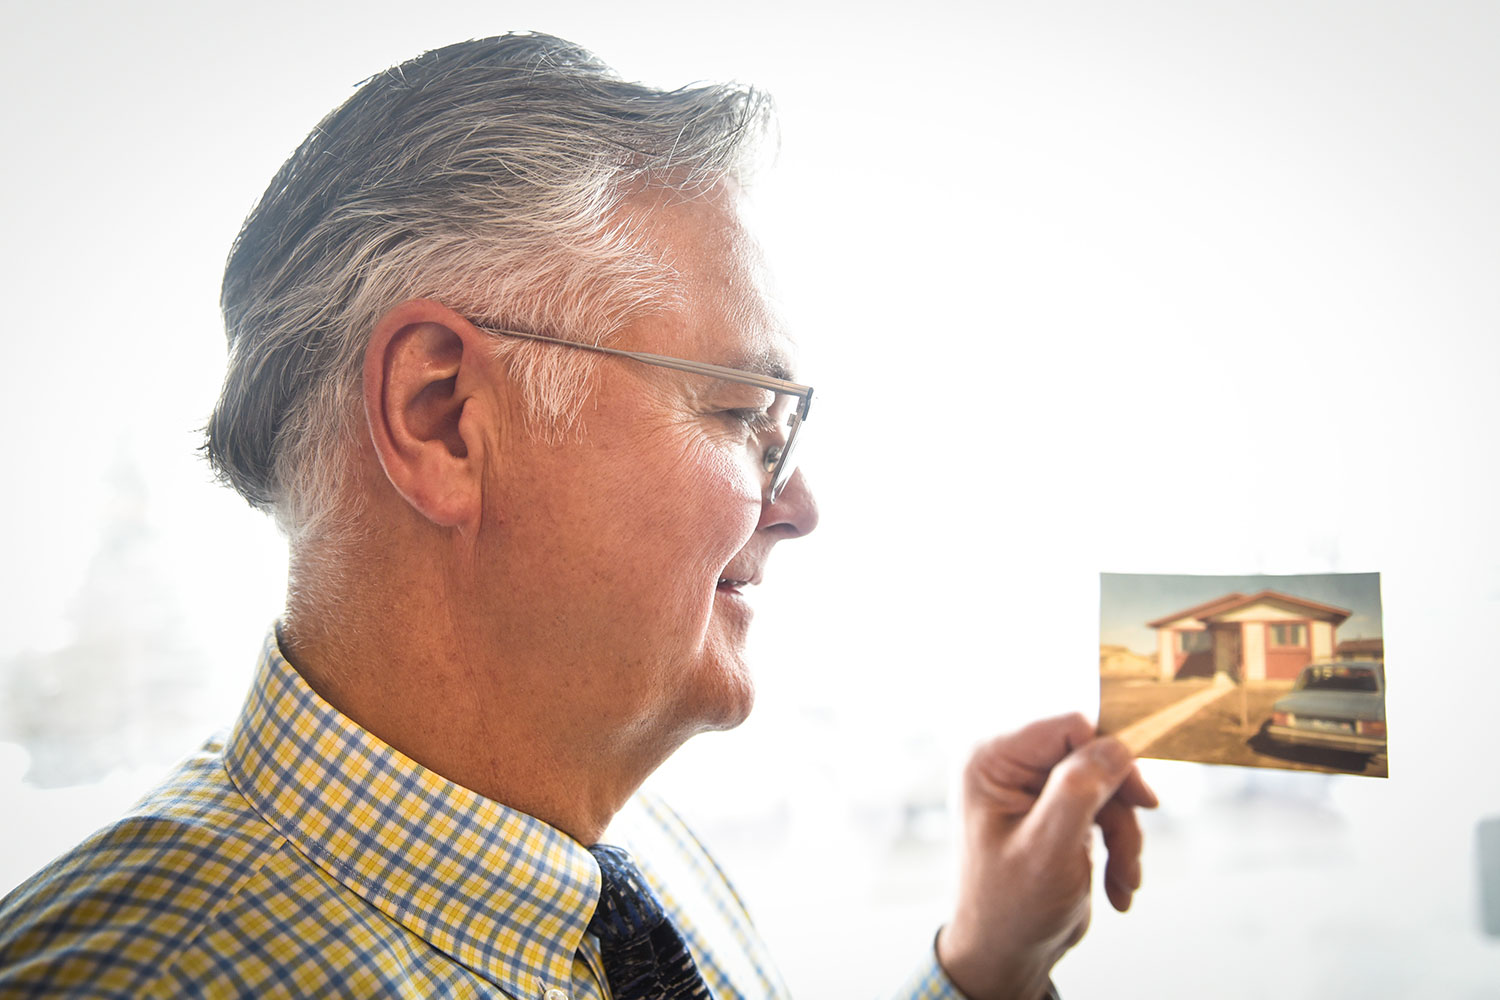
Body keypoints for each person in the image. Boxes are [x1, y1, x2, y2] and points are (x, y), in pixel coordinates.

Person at [0, 33, 1155, 999]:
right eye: (742, 414)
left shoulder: (636, 870)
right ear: (443, 415)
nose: (799, 506)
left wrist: (982, 966)